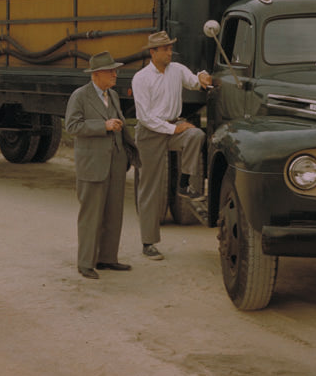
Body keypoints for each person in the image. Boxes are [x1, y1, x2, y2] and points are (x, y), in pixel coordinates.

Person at [131, 31, 212, 261]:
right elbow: (145, 117)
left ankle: (184, 183)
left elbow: (196, 81)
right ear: (153, 52)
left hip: (172, 126)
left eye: (170, 48)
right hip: (150, 133)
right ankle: (148, 243)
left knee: (196, 135)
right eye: (165, 49)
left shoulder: (176, 70)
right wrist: (173, 129)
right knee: (150, 188)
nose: (169, 52)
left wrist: (205, 76)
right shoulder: (141, 78)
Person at [65, 51, 139, 279]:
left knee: (113, 212)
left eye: (115, 70)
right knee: (91, 214)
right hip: (93, 164)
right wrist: (103, 125)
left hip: (115, 163)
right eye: (111, 71)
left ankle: (107, 258)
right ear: (96, 74)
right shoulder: (80, 96)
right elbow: (72, 126)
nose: (115, 75)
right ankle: (86, 263)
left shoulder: (113, 95)